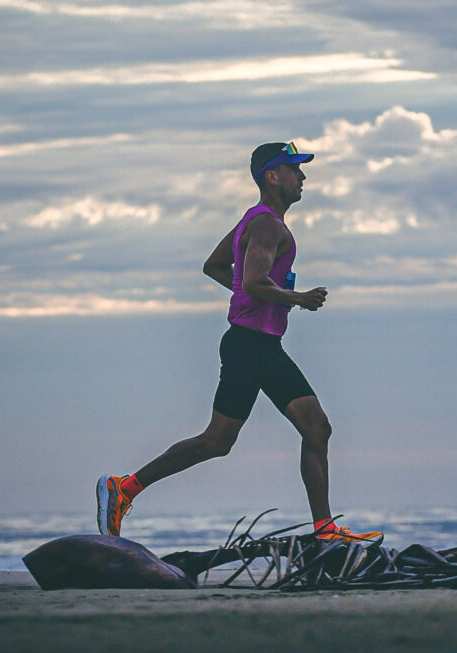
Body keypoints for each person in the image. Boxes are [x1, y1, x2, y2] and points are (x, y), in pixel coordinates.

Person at [96, 141, 381, 543]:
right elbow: (251, 281)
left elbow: (216, 267)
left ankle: (124, 489)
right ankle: (325, 530)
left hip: (254, 345)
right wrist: (294, 297)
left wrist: (260, 295)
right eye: (294, 170)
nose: (302, 178)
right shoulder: (267, 224)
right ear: (272, 176)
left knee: (226, 440)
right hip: (252, 346)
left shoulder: (256, 220)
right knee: (310, 430)